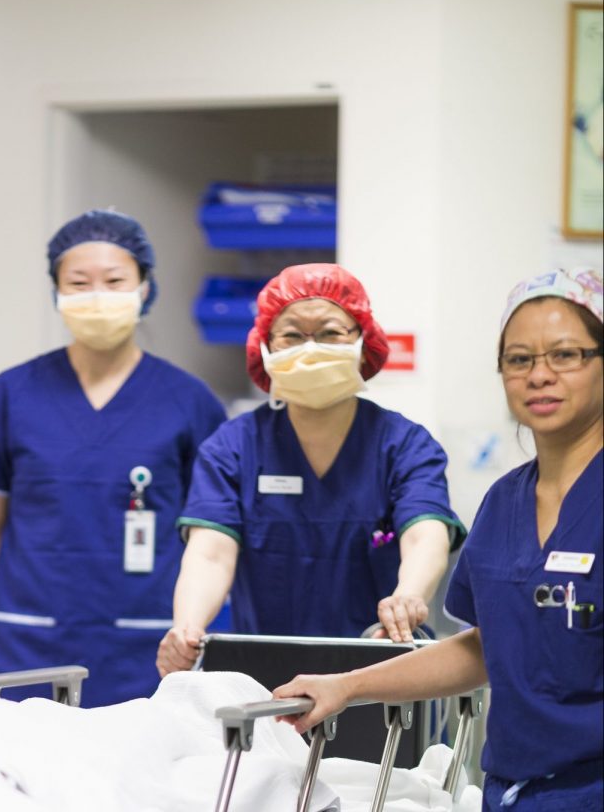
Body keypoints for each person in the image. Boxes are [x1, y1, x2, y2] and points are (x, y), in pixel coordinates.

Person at [272, 266, 603, 811]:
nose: (539, 375)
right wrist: (348, 687)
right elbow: (484, 647)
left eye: (566, 355)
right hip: (513, 792)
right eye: (519, 359)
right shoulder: (503, 503)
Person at [0, 209, 227, 706]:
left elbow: (211, 536)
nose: (97, 295)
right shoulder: (10, 395)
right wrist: (45, 589)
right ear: (56, 291)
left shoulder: (190, 401)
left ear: (145, 287)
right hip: (29, 641)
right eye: (78, 282)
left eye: (115, 280)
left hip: (148, 640)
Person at [157, 263, 465, 677]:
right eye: (291, 335)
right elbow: (210, 554)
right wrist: (188, 627)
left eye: (330, 332)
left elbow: (424, 535)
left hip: (381, 673)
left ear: (363, 340)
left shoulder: (404, 445)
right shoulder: (233, 447)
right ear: (265, 346)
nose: (310, 348)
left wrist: (408, 597)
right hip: (266, 682)